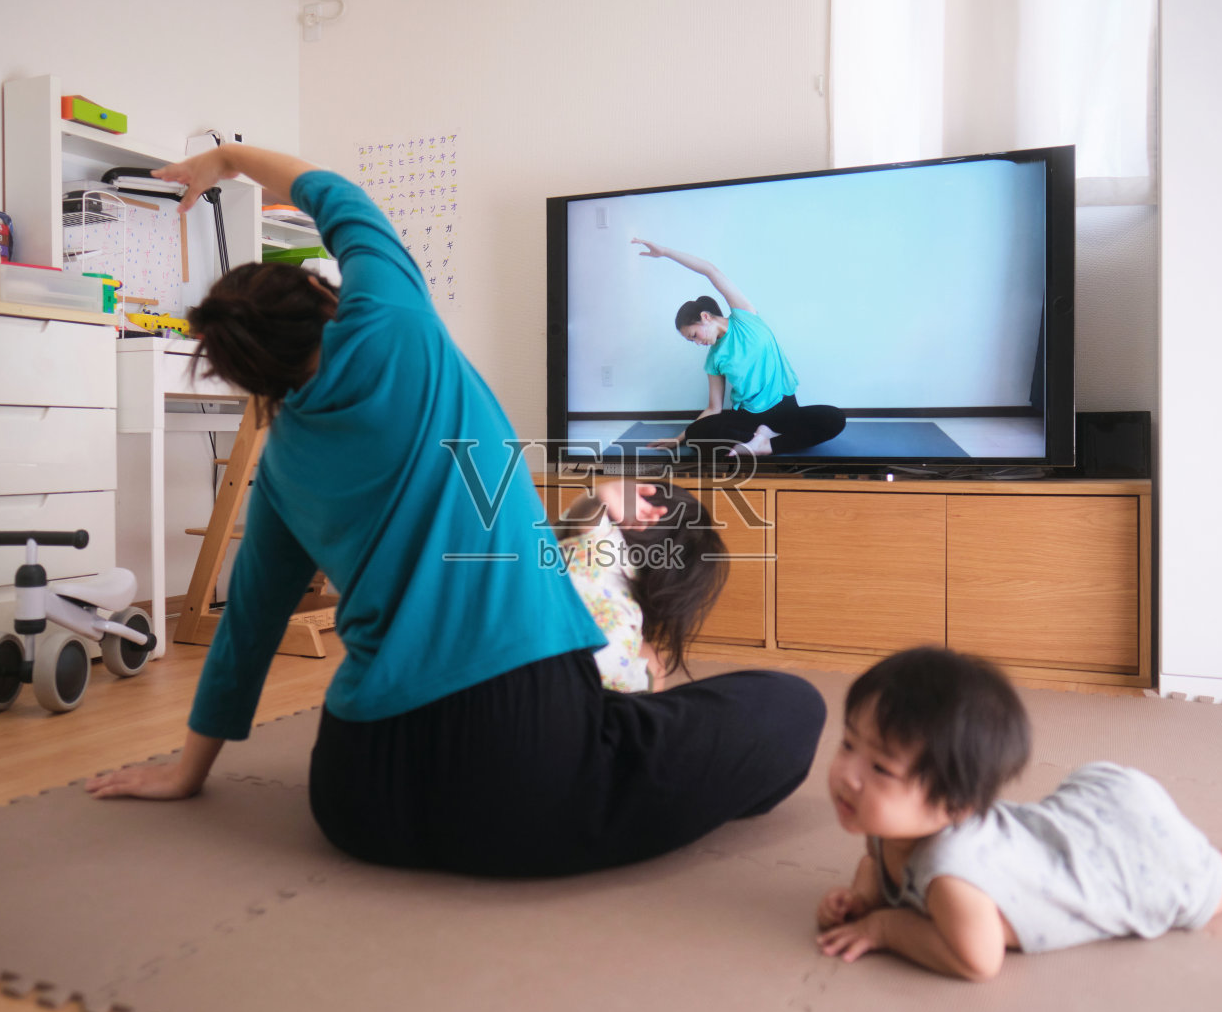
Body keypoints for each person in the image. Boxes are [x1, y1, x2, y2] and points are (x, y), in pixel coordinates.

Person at [83, 144, 826, 878]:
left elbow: (247, 625)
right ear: (325, 300)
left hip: (354, 796)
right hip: (522, 772)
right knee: (788, 704)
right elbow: (335, 195)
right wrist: (231, 156)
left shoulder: (280, 467)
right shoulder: (394, 324)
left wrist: (189, 769)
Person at [815, 646, 1222, 980]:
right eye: (848, 744)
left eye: (880, 767)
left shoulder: (953, 878)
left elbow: (977, 958)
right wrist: (862, 899)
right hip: (1085, 816)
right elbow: (877, 869)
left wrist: (883, 928)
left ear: (955, 805)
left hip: (1128, 857)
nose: (848, 774)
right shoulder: (886, 825)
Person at [630, 238, 846, 458]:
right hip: (748, 419)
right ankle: (763, 438)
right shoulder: (713, 358)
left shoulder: (744, 318)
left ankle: (766, 444)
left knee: (834, 418)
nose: (696, 343)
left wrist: (665, 251)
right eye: (691, 340)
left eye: (694, 335)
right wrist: (678, 439)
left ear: (705, 317)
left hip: (785, 410)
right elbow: (713, 408)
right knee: (697, 434)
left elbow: (710, 270)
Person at [553, 480, 728, 693]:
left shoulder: (594, 551)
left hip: (516, 664)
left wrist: (599, 497)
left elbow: (588, 518)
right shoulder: (609, 554)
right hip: (583, 700)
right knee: (654, 665)